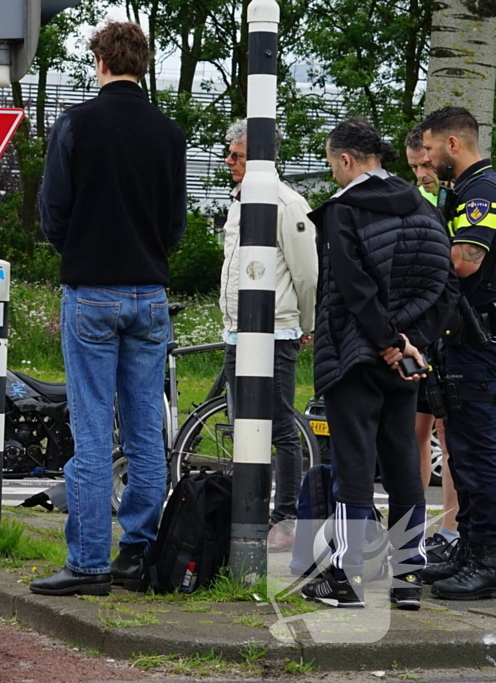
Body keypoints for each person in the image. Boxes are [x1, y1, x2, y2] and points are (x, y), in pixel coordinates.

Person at [29, 21, 186, 597]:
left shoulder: (75, 124)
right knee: (147, 427)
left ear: (99, 62)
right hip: (151, 293)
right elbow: (175, 226)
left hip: (91, 289)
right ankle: (138, 554)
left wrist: (80, 248)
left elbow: (53, 213)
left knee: (92, 429)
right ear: (143, 64)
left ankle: (88, 563)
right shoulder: (170, 135)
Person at [300, 119, 455, 611]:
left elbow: (351, 285)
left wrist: (386, 341)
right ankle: (408, 575)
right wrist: (411, 344)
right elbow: (444, 286)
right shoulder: (425, 209)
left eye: (331, 164)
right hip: (408, 360)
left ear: (346, 160)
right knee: (404, 465)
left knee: (353, 465)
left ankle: (344, 577)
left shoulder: (344, 212)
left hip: (355, 355)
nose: (333, 174)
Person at [219, 119, 318, 553]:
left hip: (275, 331)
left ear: (259, 156)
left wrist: (308, 324)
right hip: (237, 330)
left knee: (280, 426)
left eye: (236, 155)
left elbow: (307, 271)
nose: (229, 162)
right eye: (229, 152)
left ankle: (287, 515)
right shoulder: (239, 202)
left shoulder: (287, 202)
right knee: (242, 423)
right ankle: (251, 510)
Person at [418, 106, 496, 600]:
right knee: (464, 452)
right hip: (464, 342)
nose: (424, 158)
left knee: (479, 451)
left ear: (452, 144)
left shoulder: (482, 192)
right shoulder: (465, 191)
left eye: (427, 148)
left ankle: (487, 558)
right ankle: (472, 546)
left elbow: (466, 261)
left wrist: (423, 245)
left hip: (479, 344)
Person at [404, 124, 460, 565]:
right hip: (420, 330)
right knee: (417, 429)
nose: (424, 173)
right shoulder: (410, 199)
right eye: (415, 167)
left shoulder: (458, 195)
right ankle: (415, 527)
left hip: (452, 325)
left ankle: (452, 526)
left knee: (451, 431)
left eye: (426, 163)